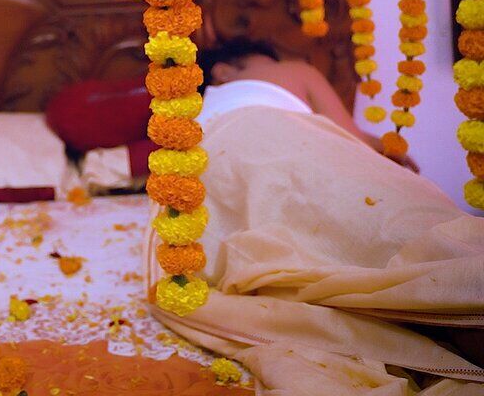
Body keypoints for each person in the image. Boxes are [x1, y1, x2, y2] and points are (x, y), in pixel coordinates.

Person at [147, 38, 484, 393]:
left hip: (206, 175)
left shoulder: (187, 118)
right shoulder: (292, 70)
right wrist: (386, 154)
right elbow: (350, 135)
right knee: (386, 226)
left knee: (277, 254)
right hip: (278, 138)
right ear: (224, 69)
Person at [197, 38, 417, 170]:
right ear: (223, 71)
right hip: (283, 161)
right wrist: (391, 152)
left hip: (205, 169)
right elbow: (352, 140)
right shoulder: (296, 70)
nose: (276, 65)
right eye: (270, 62)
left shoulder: (197, 109)